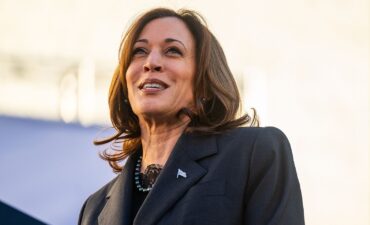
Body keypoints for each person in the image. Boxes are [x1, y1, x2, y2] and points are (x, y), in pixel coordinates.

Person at [78, 7, 304, 225]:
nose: (151, 63)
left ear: (204, 83)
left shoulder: (256, 153)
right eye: (140, 51)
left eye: (172, 51)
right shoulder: (94, 209)